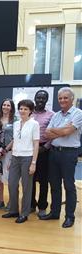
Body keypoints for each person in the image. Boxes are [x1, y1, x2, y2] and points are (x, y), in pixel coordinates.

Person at [40, 87, 82, 228]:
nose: (62, 100)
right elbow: (47, 134)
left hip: (69, 153)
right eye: (60, 98)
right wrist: (63, 130)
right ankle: (54, 212)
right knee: (55, 185)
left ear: (72, 99)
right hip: (54, 152)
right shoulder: (56, 115)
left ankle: (69, 217)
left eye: (65, 98)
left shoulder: (78, 113)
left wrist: (60, 130)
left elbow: (69, 131)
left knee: (69, 185)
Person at [2, 100, 39, 223]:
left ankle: (24, 213)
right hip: (15, 157)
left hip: (27, 158)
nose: (22, 111)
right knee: (12, 184)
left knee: (26, 187)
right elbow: (15, 140)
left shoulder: (34, 124)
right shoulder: (16, 124)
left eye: (25, 109)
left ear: (30, 111)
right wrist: (7, 151)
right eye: (21, 108)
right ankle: (13, 210)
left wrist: (33, 162)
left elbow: (36, 144)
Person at [31, 90, 54, 217]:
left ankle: (42, 207)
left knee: (44, 181)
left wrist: (45, 147)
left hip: (44, 150)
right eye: (38, 98)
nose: (40, 100)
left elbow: (53, 134)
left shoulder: (52, 115)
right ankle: (31, 205)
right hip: (29, 150)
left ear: (46, 100)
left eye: (43, 98)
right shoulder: (29, 113)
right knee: (30, 180)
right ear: (35, 98)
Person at [0, 99, 16, 210]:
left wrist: (5, 149)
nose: (6, 107)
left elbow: (16, 138)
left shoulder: (15, 120)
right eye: (4, 105)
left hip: (9, 153)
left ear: (11, 107)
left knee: (10, 178)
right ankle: (0, 201)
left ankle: (12, 202)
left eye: (8, 105)